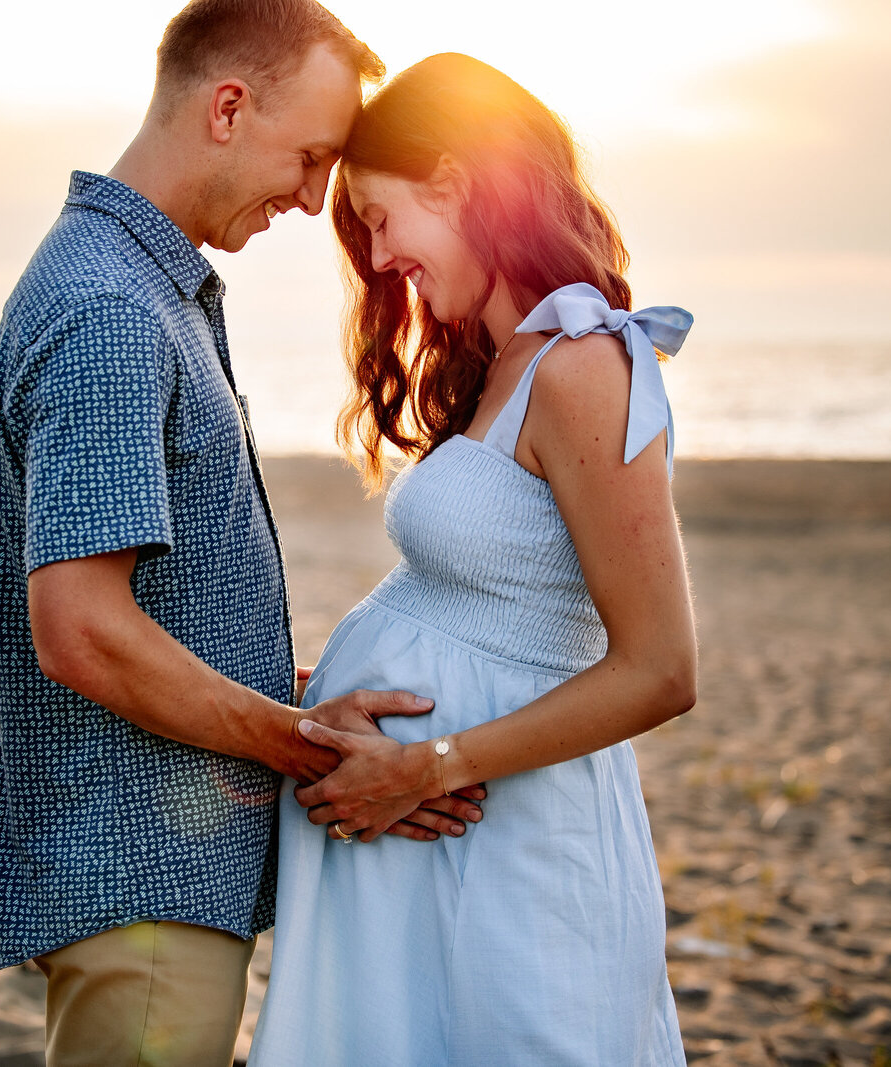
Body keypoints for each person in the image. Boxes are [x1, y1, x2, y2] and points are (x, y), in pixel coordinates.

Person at [0, 4, 490, 1065]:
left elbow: (147, 612)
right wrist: (302, 742)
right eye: (309, 158)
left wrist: (296, 691)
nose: (311, 199)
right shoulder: (110, 309)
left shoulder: (134, 289)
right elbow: (80, 628)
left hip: (151, 879)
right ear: (225, 107)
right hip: (143, 877)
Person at [248, 53, 697, 1065]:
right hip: (424, 835)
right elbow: (481, 608)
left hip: (503, 843)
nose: (376, 251)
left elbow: (661, 668)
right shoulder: (503, 367)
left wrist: (421, 766)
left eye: (377, 214)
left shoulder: (584, 365)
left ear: (453, 182)